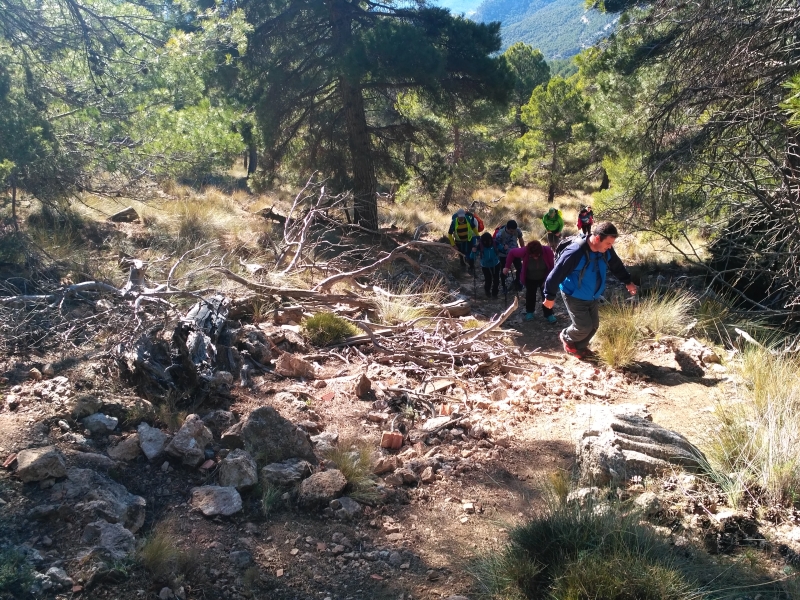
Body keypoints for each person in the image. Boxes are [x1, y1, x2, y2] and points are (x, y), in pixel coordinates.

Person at [543, 222, 637, 358]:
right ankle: (566, 337)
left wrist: (628, 281)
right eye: (608, 243)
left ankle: (579, 348)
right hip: (574, 294)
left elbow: (616, 265)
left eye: (611, 244)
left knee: (594, 326)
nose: (610, 247)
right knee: (583, 327)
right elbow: (555, 275)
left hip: (593, 294)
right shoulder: (575, 253)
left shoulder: (606, 250)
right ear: (597, 238)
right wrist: (549, 296)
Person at [503, 241, 556, 322]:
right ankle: (530, 312)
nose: (535, 258)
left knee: (546, 296)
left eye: (537, 255)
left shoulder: (547, 251)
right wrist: (507, 266)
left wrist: (546, 280)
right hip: (530, 278)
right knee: (530, 295)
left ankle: (549, 314)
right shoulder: (525, 251)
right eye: (532, 256)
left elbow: (552, 267)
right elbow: (512, 253)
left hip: (544, 277)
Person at [494, 219, 525, 288]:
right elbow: (496, 244)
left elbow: (521, 240)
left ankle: (517, 281)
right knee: (504, 270)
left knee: (519, 268)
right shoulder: (500, 233)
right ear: (507, 228)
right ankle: (503, 285)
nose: (513, 232)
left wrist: (523, 250)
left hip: (515, 252)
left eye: (514, 231)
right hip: (504, 254)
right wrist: (502, 247)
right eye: (511, 231)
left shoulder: (517, 230)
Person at [476, 232, 501, 298]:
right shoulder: (480, 246)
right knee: (488, 280)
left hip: (495, 264)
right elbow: (473, 256)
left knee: (496, 280)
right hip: (485, 266)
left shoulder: (495, 243)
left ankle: (494, 294)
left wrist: (505, 248)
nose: (488, 243)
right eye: (486, 241)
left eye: (489, 241)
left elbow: (502, 248)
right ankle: (487, 291)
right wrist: (473, 251)